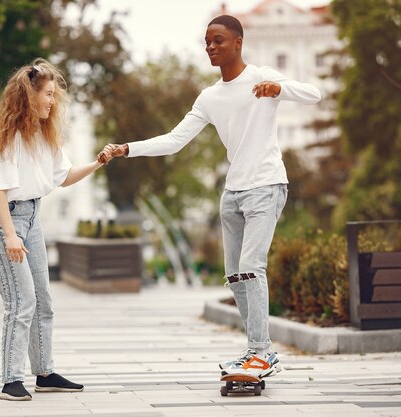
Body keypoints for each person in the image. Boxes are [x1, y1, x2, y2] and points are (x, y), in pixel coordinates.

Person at [98, 15, 321, 379]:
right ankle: (255, 349)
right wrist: (126, 148)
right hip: (232, 193)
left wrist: (279, 89)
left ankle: (262, 353)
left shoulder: (262, 77)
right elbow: (174, 140)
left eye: (218, 40)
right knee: (235, 275)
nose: (211, 48)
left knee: (252, 266)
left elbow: (315, 94)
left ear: (238, 42)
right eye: (207, 42)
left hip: (266, 186)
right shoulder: (210, 97)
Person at [0, 58, 103, 401]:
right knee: (21, 301)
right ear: (27, 96)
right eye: (47, 94)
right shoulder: (6, 137)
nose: (52, 100)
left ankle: (45, 372)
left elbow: (63, 177)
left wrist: (98, 163)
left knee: (43, 300)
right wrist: (9, 235)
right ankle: (10, 380)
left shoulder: (45, 137)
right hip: (2, 217)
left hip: (31, 217)